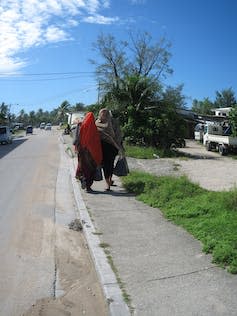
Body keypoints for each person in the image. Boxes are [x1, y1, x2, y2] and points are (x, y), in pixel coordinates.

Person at [74, 112, 102, 193]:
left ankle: (83, 180)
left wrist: (77, 148)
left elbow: (76, 139)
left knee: (83, 168)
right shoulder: (94, 128)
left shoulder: (81, 126)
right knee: (91, 169)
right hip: (92, 154)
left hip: (82, 152)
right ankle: (88, 186)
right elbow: (97, 142)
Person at [95, 108, 122, 191]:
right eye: (102, 114)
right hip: (101, 147)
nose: (104, 116)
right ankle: (108, 182)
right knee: (104, 165)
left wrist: (118, 147)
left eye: (106, 114)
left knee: (109, 165)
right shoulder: (96, 122)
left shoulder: (113, 122)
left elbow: (118, 135)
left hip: (111, 146)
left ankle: (108, 182)